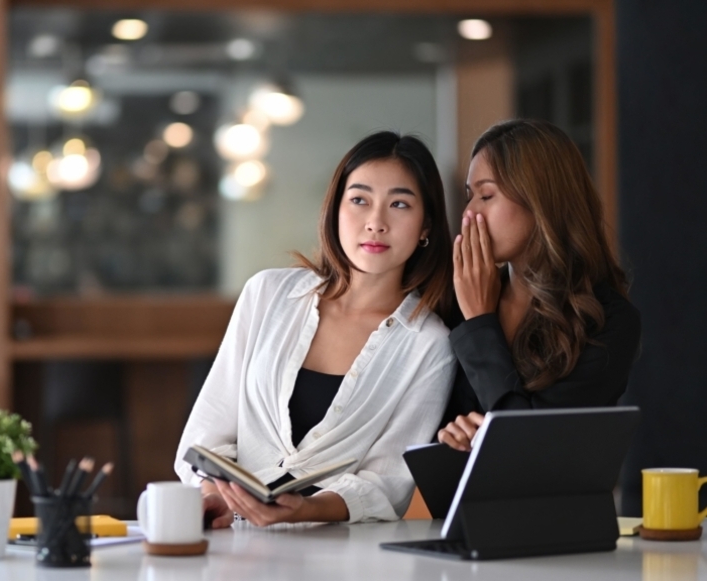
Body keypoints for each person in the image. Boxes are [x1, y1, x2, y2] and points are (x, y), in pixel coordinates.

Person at [175, 131, 457, 527]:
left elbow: (388, 482)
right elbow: (207, 431)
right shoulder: (268, 295)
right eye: (359, 200)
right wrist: (213, 497)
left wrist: (307, 509)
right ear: (335, 209)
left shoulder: (429, 345)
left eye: (399, 204)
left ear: (426, 224)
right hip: (231, 540)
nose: (376, 223)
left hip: (337, 552)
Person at [437, 119, 641, 451]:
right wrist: (452, 439)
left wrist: (479, 323)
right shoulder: (454, 301)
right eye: (469, 196)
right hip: (460, 501)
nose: (469, 213)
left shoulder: (608, 320)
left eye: (486, 195)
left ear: (541, 200)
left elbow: (532, 445)